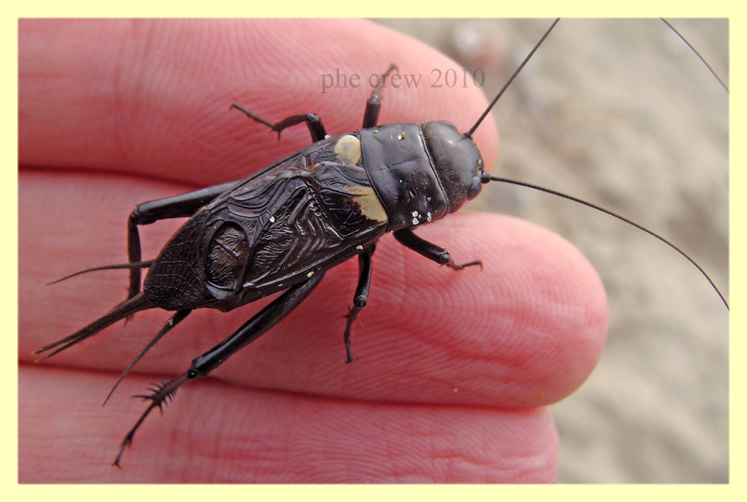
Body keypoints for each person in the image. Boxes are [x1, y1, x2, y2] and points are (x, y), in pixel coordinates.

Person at [18, 18, 607, 483]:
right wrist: (441, 268)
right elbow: (366, 285)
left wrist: (370, 94)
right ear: (430, 208)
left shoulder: (349, 140)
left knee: (150, 219)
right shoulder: (392, 227)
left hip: (261, 206)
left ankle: (137, 305)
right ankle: (149, 366)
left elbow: (310, 118)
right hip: (292, 255)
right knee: (206, 353)